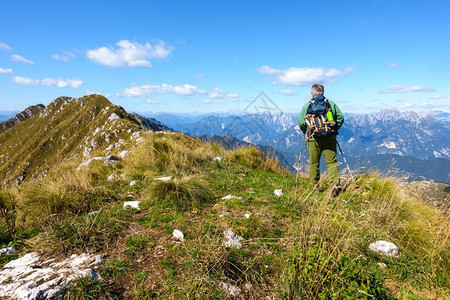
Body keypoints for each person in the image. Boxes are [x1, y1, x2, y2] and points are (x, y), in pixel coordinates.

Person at [298, 84, 344, 196]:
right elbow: (340, 118)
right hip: (329, 137)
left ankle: (314, 187)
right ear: (323, 92)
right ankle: (335, 184)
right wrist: (333, 129)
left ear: (312, 93)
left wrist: (306, 131)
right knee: (332, 162)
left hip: (314, 138)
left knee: (314, 163)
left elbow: (301, 122)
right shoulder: (331, 104)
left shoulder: (307, 105)